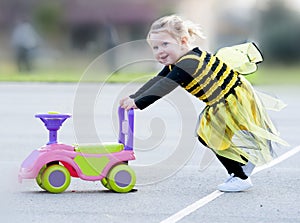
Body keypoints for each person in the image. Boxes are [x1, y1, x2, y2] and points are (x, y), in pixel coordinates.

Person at [119, 15, 288, 192]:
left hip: (229, 99)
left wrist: (138, 103)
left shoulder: (188, 63)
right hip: (226, 98)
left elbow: (165, 85)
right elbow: (158, 79)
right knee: (212, 136)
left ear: (183, 41)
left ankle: (240, 176)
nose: (159, 51)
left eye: (165, 44)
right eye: (155, 47)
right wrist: (135, 96)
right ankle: (242, 163)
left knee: (210, 136)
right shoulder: (181, 61)